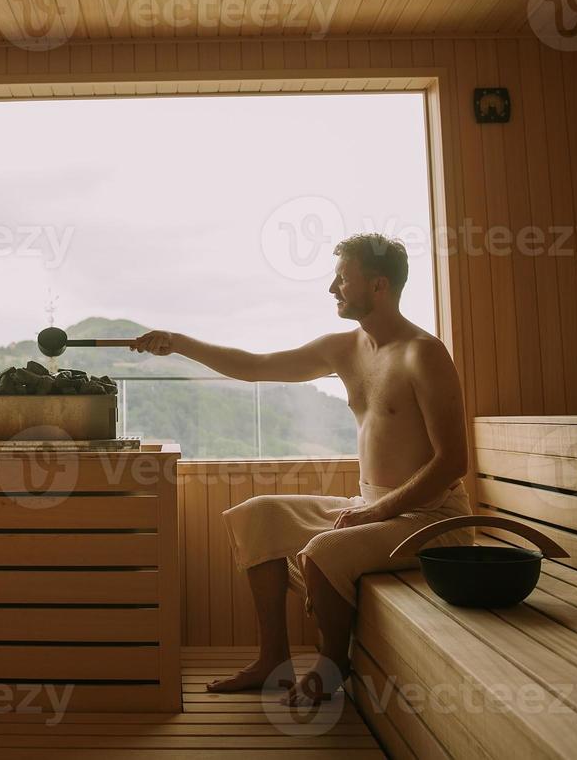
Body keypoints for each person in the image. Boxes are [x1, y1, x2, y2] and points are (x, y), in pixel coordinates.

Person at [131, 233, 473, 705]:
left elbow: (452, 462)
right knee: (258, 513)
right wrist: (180, 343)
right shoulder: (343, 348)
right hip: (375, 506)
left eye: (342, 279)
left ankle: (333, 666)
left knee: (324, 549)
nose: (333, 288)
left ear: (378, 285)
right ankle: (273, 658)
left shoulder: (423, 353)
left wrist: (375, 514)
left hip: (432, 519)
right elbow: (255, 366)